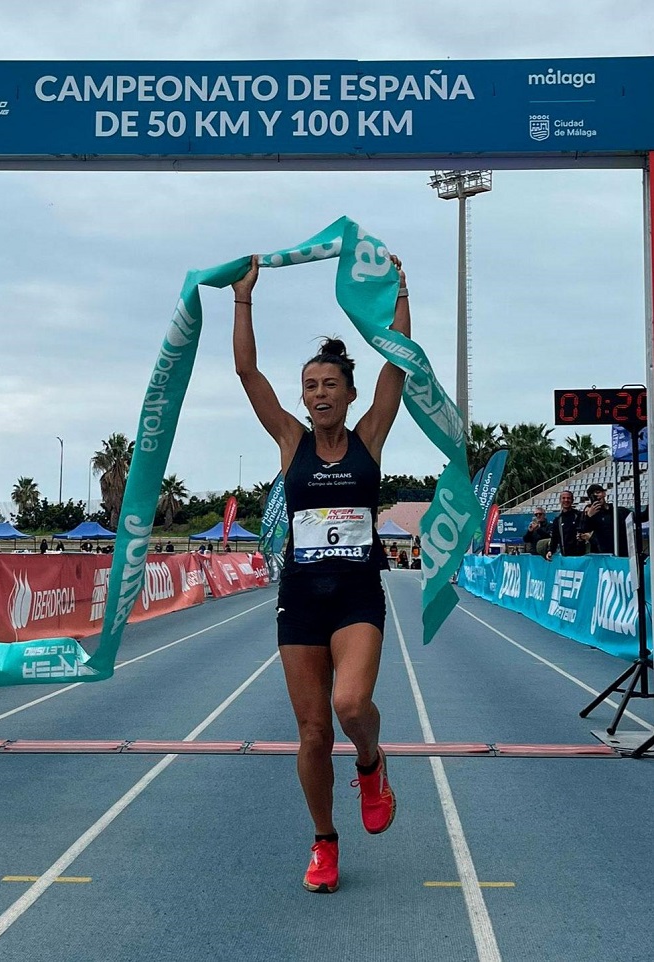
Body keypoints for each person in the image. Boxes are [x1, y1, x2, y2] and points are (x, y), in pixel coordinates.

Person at [232, 249, 408, 895]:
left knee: (350, 704)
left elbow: (398, 363)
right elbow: (247, 371)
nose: (319, 393)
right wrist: (244, 296)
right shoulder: (290, 441)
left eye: (330, 384)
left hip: (357, 594)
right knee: (311, 732)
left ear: (349, 393)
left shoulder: (370, 437)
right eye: (310, 386)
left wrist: (400, 295)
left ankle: (371, 761)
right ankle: (324, 841)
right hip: (302, 597)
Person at [581, 482, 647, 556]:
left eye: (598, 492)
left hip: (623, 554)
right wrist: (589, 516)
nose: (596, 496)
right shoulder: (592, 516)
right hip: (605, 556)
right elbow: (583, 530)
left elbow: (642, 518)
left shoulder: (620, 511)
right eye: (592, 495)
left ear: (604, 493)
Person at [546, 490, 589, 560]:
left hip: (580, 557)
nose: (566, 500)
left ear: (572, 500)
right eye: (563, 498)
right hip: (565, 557)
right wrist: (550, 551)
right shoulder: (558, 520)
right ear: (560, 500)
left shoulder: (579, 515)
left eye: (568, 498)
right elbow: (554, 538)